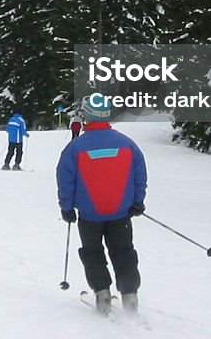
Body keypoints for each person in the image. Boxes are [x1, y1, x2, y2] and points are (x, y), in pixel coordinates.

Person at [56, 94, 147, 315]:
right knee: (123, 252)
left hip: (90, 215)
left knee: (93, 253)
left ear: (87, 115)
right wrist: (138, 201)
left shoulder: (76, 147)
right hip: (120, 213)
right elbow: (139, 175)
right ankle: (130, 295)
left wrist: (66, 207)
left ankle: (102, 293)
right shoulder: (127, 144)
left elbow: (65, 179)